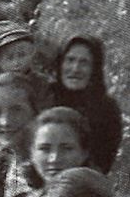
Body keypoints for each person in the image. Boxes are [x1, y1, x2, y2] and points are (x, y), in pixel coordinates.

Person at [50, 33, 124, 173]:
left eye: (84, 63)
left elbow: (102, 163)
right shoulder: (44, 96)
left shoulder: (106, 109)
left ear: (94, 69)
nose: (75, 69)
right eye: (70, 60)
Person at [0, 20, 51, 110]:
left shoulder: (42, 83)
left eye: (22, 55)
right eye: (9, 58)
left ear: (32, 54)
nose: (16, 63)